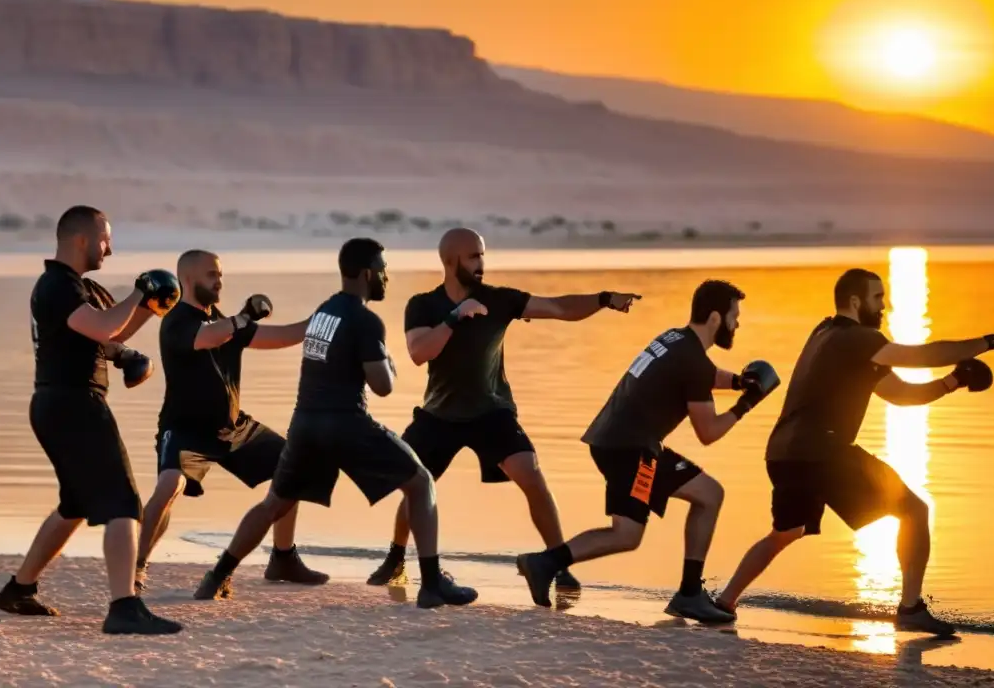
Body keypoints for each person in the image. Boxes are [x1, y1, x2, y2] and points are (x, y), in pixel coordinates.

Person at [713, 268, 994, 636]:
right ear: (855, 301)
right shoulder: (858, 338)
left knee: (786, 531)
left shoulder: (827, 333)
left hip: (784, 453)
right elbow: (922, 354)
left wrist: (954, 381)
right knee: (914, 510)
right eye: (877, 298)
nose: (883, 306)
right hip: (824, 450)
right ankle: (911, 609)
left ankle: (724, 601)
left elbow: (902, 395)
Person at [191, 238, 478, 608]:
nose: (387, 277)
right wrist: (387, 359)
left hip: (306, 422)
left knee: (274, 504)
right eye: (383, 270)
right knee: (421, 482)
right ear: (366, 274)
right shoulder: (366, 320)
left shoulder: (324, 311)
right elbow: (383, 386)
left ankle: (216, 577)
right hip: (345, 423)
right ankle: (433, 582)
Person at [366, 227, 642, 591]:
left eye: (482, 255)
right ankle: (396, 558)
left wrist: (605, 298)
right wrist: (455, 317)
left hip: (491, 413)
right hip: (439, 415)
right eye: (473, 256)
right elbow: (419, 353)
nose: (481, 263)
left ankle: (557, 562)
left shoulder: (500, 300)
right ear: (450, 261)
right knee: (415, 483)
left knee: (531, 474)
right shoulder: (423, 305)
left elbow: (558, 307)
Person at [515, 279, 779, 622]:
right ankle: (688, 594)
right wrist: (747, 404)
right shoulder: (693, 362)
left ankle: (543, 563)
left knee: (627, 533)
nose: (737, 323)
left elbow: (703, 374)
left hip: (612, 440)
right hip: (632, 448)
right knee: (709, 495)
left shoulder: (674, 338)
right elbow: (708, 433)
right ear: (716, 318)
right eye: (734, 316)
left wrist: (738, 382)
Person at [0, 205, 184, 635]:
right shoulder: (57, 285)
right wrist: (138, 293)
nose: (109, 249)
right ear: (81, 239)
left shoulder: (75, 287)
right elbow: (100, 327)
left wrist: (151, 307)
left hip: (60, 405)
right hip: (74, 405)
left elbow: (112, 333)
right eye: (104, 240)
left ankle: (18, 590)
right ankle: (124, 607)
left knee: (75, 505)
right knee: (124, 504)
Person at [135, 249, 328, 596]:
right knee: (169, 487)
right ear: (190, 280)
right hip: (184, 430)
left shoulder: (226, 321)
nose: (219, 281)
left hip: (232, 428)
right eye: (212, 275)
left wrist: (319, 321)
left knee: (293, 470)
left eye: (220, 274)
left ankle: (283, 558)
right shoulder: (177, 320)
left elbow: (280, 336)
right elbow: (207, 337)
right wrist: (242, 318)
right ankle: (135, 568)